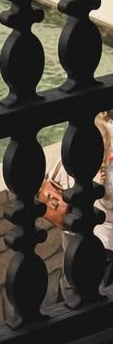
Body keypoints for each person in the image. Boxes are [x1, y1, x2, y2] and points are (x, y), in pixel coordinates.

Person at [45, 110, 113, 291]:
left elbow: (53, 178)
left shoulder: (79, 139)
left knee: (73, 285)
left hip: (74, 231)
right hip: (107, 242)